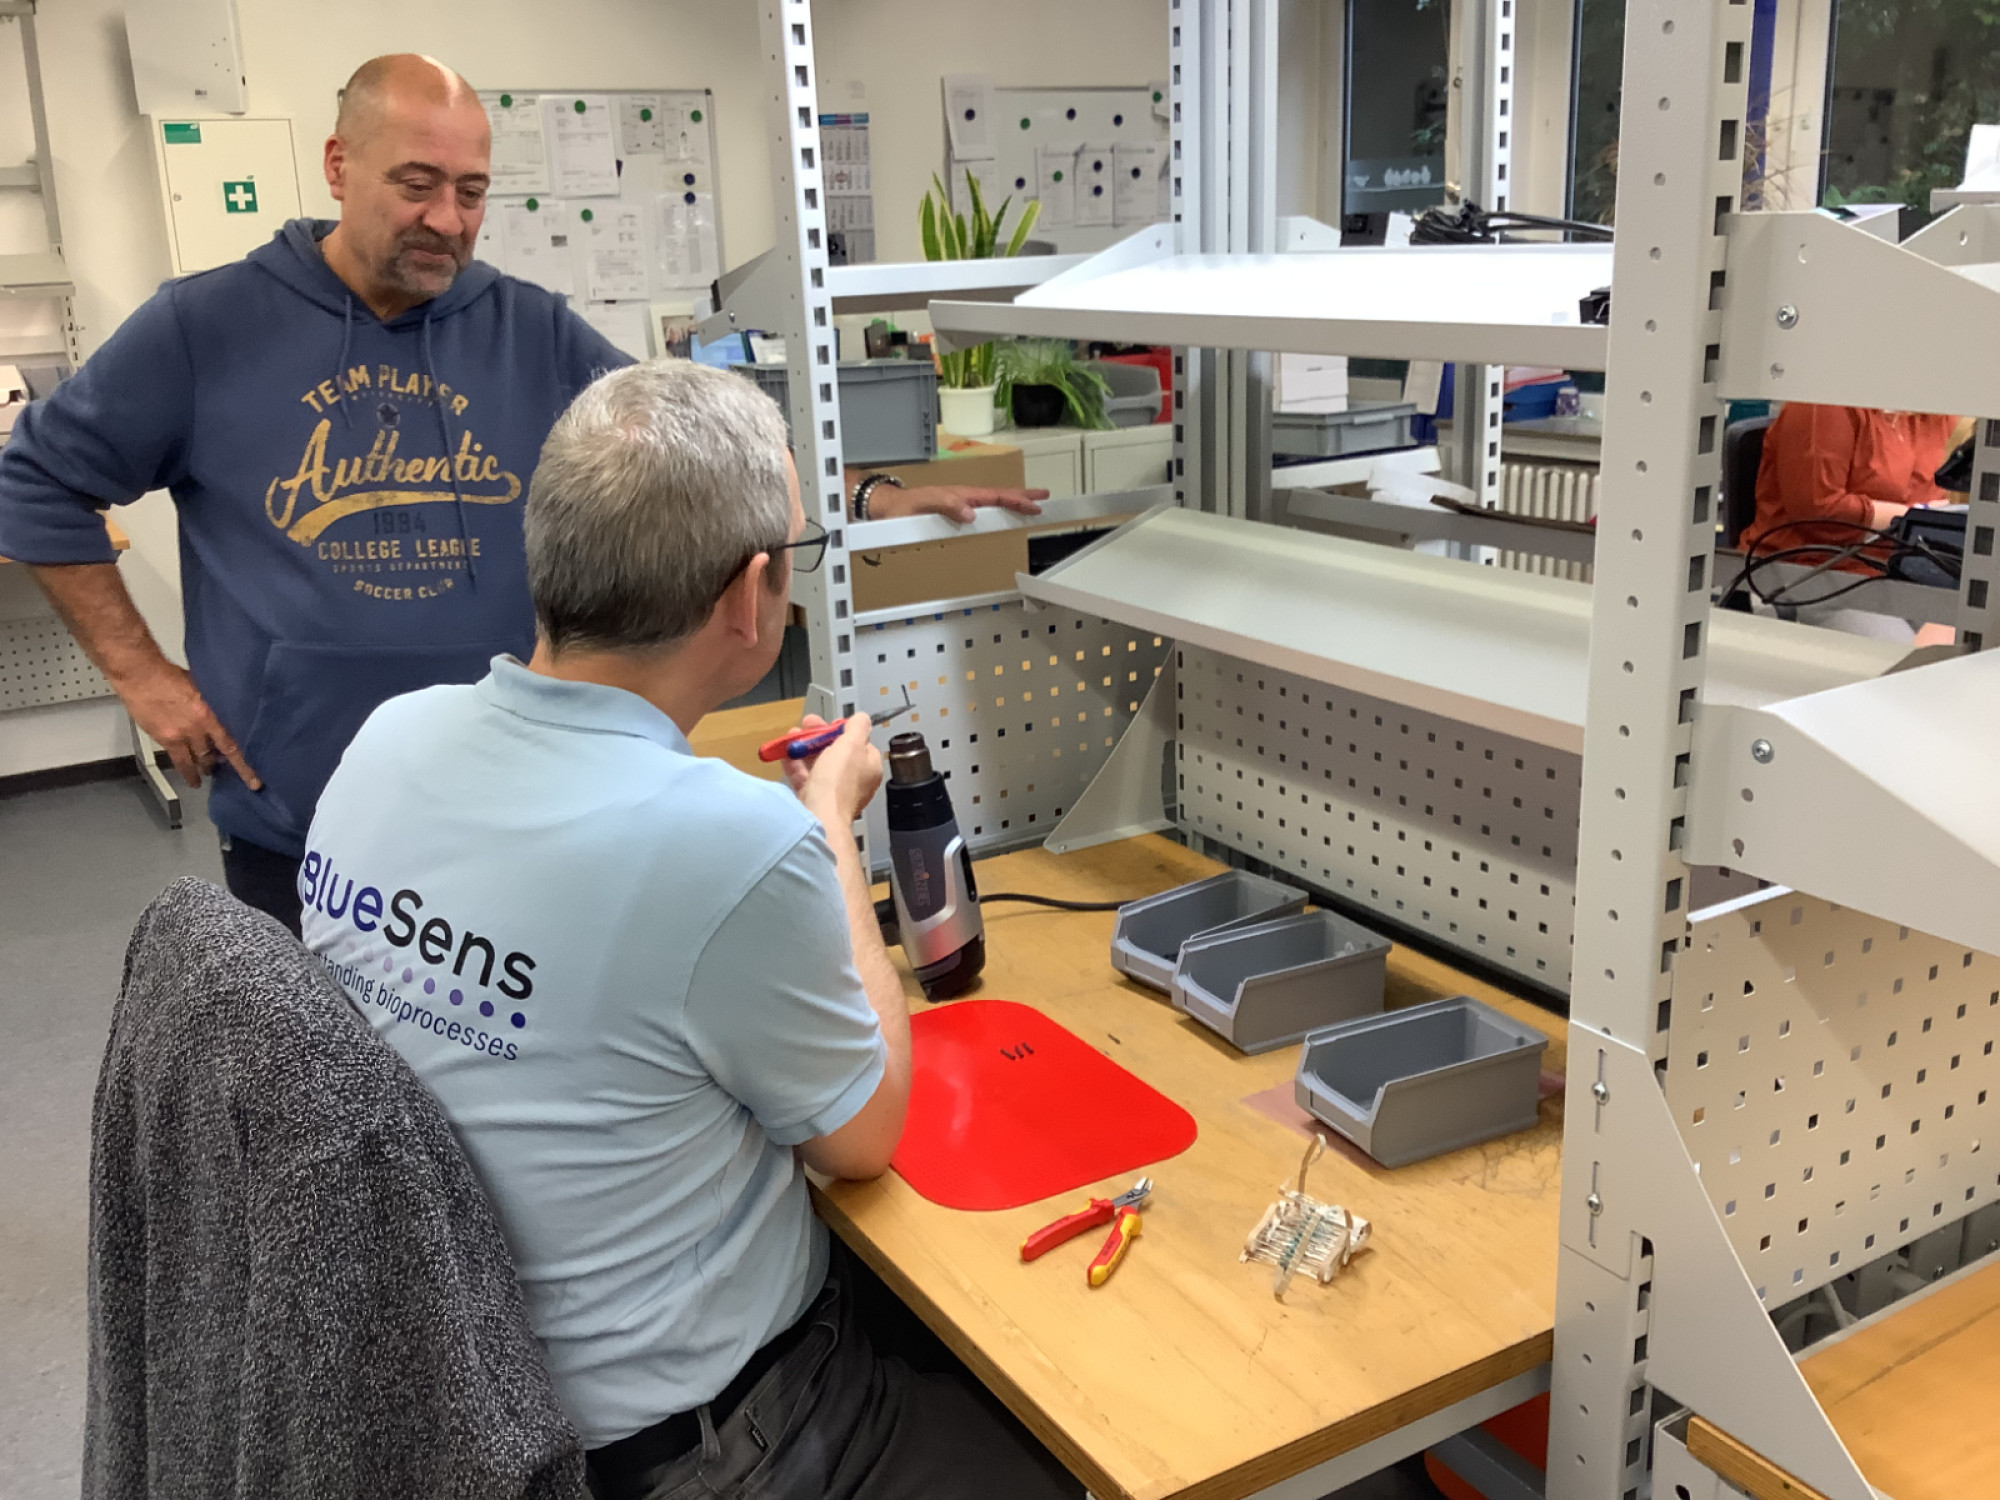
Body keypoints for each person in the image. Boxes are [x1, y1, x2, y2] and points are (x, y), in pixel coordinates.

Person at [0, 53, 1041, 937]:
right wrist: (143, 677)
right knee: (318, 1101)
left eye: (471, 192)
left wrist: (873, 490)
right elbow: (35, 478)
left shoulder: (527, 330)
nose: (446, 220)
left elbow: (700, 451)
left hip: (513, 820)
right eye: (416, 184)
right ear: (338, 165)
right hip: (296, 828)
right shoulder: (207, 326)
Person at [297, 360, 1079, 1500]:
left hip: (460, 1398)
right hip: (697, 1442)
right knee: (1067, 1444)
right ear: (750, 595)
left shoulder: (387, 740)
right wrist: (826, 828)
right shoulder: (729, 842)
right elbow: (864, 1139)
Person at [1742, 403, 1961, 554]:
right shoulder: (1823, 405)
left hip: (1906, 565)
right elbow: (1818, 511)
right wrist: (1919, 519)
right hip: (1813, 570)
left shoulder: (1933, 411)